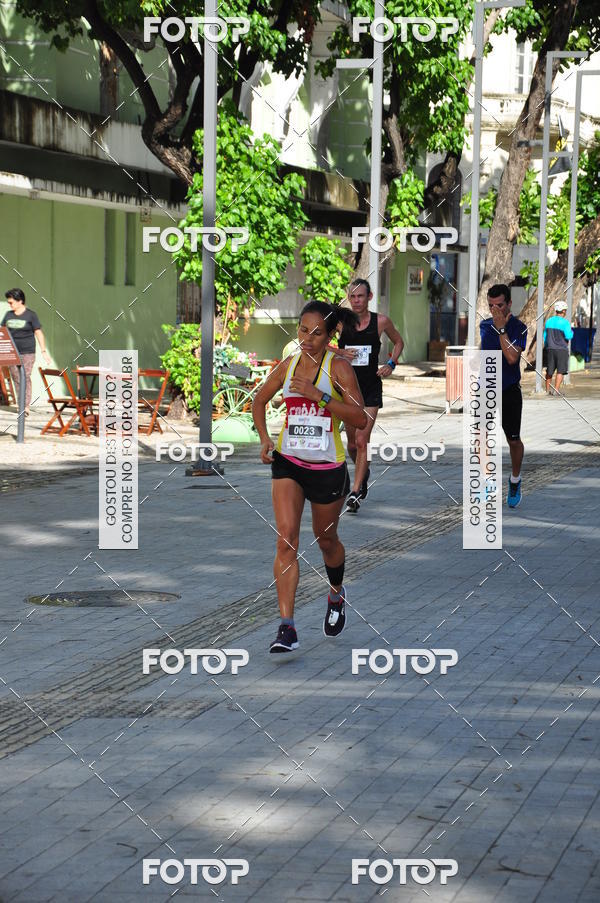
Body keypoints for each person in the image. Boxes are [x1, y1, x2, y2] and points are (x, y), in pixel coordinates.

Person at [253, 300, 368, 653]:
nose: (307, 337)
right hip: (288, 463)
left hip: (326, 468)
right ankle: (286, 626)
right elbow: (259, 400)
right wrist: (264, 438)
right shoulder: (288, 366)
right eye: (303, 330)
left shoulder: (339, 369)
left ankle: (336, 593)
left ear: (330, 334)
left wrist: (319, 396)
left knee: (326, 541)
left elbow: (360, 417)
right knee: (285, 540)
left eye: (317, 332)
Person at [335, 278, 405, 513]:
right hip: (347, 390)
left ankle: (355, 493)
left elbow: (398, 342)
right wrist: (340, 351)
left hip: (370, 389)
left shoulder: (381, 321)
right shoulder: (340, 322)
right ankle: (363, 472)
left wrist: (391, 364)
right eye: (352, 297)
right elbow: (317, 341)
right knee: (353, 445)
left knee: (363, 441)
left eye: (360, 296)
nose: (356, 301)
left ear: (369, 297)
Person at [479, 283, 527, 509]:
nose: (494, 310)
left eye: (499, 305)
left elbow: (511, 358)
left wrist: (501, 329)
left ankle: (515, 480)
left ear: (509, 303)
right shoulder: (484, 326)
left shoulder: (519, 327)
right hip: (487, 388)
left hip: (509, 389)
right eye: (490, 306)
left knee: (513, 440)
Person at [1, 288, 50, 415]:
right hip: (12, 352)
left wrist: (43, 351)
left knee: (25, 376)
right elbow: (3, 332)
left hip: (27, 352)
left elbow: (38, 333)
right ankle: (20, 403)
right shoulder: (8, 315)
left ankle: (25, 406)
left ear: (20, 301)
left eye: (11, 302)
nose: (9, 304)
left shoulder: (31, 315)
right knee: (16, 378)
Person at [544, 300, 573, 395]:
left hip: (550, 349)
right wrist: (572, 332)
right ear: (563, 311)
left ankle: (547, 390)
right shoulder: (565, 323)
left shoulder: (548, 321)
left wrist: (547, 345)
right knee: (560, 370)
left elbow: (545, 336)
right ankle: (556, 390)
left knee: (549, 370)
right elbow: (569, 336)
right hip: (562, 350)